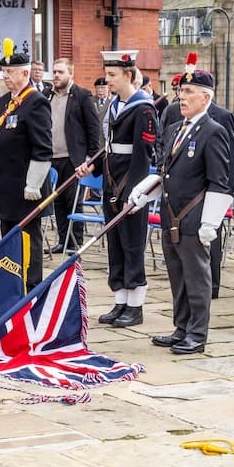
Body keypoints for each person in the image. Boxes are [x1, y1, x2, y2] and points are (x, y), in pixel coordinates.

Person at [152, 68, 234, 355]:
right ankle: (181, 327)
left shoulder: (214, 131)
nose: (181, 97)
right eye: (181, 91)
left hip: (195, 216)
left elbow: (220, 182)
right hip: (171, 214)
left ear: (206, 97)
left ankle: (197, 334)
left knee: (197, 278)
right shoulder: (176, 128)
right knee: (177, 275)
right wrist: (145, 190)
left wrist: (210, 222)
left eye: (188, 92)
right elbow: (168, 172)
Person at [96, 53, 157, 327]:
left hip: (130, 187)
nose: (107, 80)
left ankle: (135, 305)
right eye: (107, 75)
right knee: (115, 245)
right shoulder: (114, 105)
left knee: (132, 245)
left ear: (128, 76)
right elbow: (109, 148)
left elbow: (142, 156)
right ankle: (120, 300)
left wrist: (132, 194)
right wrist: (94, 167)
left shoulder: (143, 108)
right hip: (110, 181)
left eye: (112, 76)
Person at [0, 44, 53, 290]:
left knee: (28, 237)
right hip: (6, 183)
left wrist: (33, 183)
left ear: (25, 74)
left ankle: (30, 284)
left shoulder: (35, 102)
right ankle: (10, 283)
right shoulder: (4, 101)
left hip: (27, 187)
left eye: (10, 72)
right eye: (3, 72)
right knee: (8, 236)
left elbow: (42, 147)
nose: (5, 76)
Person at [45, 57, 98, 252]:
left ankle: (76, 242)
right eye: (54, 72)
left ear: (70, 73)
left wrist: (90, 158)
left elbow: (93, 129)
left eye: (60, 72)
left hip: (73, 158)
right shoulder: (47, 95)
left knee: (73, 201)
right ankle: (62, 240)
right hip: (52, 158)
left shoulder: (82, 96)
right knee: (57, 200)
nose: (56, 76)